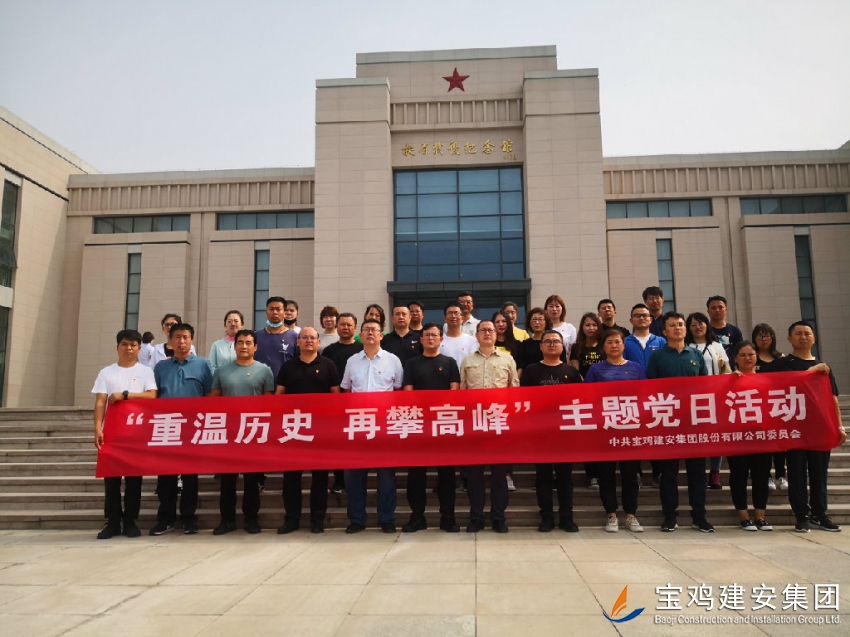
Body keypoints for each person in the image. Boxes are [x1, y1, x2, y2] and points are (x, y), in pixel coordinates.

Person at [767, 321, 846, 532]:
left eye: (807, 333)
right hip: (795, 429)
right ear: (789, 339)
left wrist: (839, 426)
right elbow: (766, 383)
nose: (803, 337)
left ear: (814, 338)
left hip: (820, 428)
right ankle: (801, 515)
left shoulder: (824, 367)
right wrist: (812, 371)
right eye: (798, 334)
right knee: (797, 473)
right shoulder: (783, 364)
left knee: (819, 474)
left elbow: (833, 398)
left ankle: (820, 514)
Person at [647, 312, 714, 533]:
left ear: (685, 329)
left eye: (681, 324)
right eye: (672, 325)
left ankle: (699, 516)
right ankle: (670, 516)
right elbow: (650, 389)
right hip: (667, 422)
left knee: (697, 473)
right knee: (668, 474)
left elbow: (705, 387)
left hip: (693, 422)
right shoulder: (657, 357)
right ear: (664, 331)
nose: (677, 328)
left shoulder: (695, 354)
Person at [91, 329, 157, 539]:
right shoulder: (106, 372)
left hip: (136, 434)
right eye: (125, 344)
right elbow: (100, 402)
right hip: (112, 434)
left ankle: (130, 521)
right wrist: (97, 428)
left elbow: (152, 396)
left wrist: (125, 395)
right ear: (117, 347)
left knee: (134, 481)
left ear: (139, 348)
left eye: (133, 345)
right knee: (111, 481)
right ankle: (112, 522)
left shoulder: (146, 372)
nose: (129, 348)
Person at [340, 319, 404, 533]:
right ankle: (357, 519)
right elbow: (346, 390)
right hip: (358, 425)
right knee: (354, 476)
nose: (370, 333)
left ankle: (386, 518)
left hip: (384, 426)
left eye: (374, 330)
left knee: (386, 477)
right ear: (360, 334)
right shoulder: (352, 361)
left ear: (381, 335)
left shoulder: (393, 360)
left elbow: (398, 391)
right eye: (366, 330)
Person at [276, 326, 341, 534]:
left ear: (318, 342)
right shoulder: (288, 366)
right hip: (293, 429)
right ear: (298, 342)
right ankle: (291, 519)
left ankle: (317, 520)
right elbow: (279, 396)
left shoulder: (328, 365)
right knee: (291, 478)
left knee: (320, 478)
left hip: (320, 430)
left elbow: (335, 396)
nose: (309, 341)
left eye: (312, 337)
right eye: (304, 337)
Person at [209, 329, 274, 535]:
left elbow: (269, 404)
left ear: (255, 347)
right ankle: (227, 520)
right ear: (234, 346)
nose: (244, 346)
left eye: (248, 343)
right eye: (240, 342)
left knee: (251, 481)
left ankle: (251, 520)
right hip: (228, 433)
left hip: (253, 433)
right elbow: (214, 401)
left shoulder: (264, 371)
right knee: (227, 481)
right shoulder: (221, 371)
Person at [151, 323, 213, 535]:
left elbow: (209, 396)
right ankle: (165, 519)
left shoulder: (203, 365)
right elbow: (154, 397)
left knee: (190, 477)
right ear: (170, 341)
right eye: (177, 337)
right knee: (165, 476)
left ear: (191, 340)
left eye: (185, 337)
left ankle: (189, 518)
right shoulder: (161, 367)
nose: (181, 341)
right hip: (167, 427)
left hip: (192, 428)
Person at [460, 320, 519, 533]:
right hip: (475, 425)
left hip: (499, 424)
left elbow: (514, 391)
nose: (487, 333)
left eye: (490, 330)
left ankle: (498, 518)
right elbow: (462, 392)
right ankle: (476, 517)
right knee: (474, 475)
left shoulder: (507, 359)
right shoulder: (467, 360)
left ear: (496, 334)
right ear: (476, 335)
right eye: (483, 330)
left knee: (499, 475)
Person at [401, 323, 461, 533]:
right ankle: (417, 517)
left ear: (441, 339)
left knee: (447, 475)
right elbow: (408, 391)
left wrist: (438, 410)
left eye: (434, 335)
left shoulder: (450, 362)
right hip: (419, 424)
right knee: (416, 475)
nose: (430, 338)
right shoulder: (412, 363)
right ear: (421, 339)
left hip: (444, 424)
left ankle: (448, 518)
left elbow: (454, 391)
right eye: (426, 335)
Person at [584, 329, 646, 533]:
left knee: (630, 475)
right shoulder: (596, 369)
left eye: (617, 342)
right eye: (609, 342)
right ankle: (611, 514)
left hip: (630, 428)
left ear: (623, 345)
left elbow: (645, 395)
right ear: (603, 346)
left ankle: (631, 515)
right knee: (606, 475)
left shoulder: (636, 368)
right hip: (605, 429)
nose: (614, 345)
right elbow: (587, 397)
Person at [521, 330, 582, 532]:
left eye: (556, 341)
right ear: (541, 346)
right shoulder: (531, 370)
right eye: (547, 341)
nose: (552, 344)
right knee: (543, 477)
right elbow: (523, 401)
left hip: (565, 432)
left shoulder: (571, 371)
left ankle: (567, 517)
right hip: (541, 433)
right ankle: (546, 517)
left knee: (565, 478)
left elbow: (579, 400)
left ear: (563, 346)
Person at [727, 341, 774, 531]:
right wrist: (729, 379)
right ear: (735, 358)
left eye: (751, 354)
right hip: (737, 438)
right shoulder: (728, 380)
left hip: (762, 437)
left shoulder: (766, 380)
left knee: (761, 476)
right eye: (743, 355)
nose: (747, 358)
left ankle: (760, 517)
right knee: (738, 477)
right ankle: (744, 516)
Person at [685, 311, 732, 490]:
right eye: (693, 324)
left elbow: (725, 369)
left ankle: (715, 472)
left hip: (715, 395)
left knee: (715, 435)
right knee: (696, 436)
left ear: (707, 325)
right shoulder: (686, 346)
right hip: (692, 398)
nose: (698, 327)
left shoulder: (716, 346)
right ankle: (699, 473)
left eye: (701, 323)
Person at [321, 312, 363, 494]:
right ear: (336, 327)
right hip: (335, 405)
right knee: (338, 444)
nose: (345, 328)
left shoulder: (362, 348)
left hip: (359, 405)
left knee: (357, 444)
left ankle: (357, 481)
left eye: (349, 325)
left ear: (355, 328)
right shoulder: (329, 351)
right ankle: (339, 481)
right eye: (342, 324)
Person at [570, 312, 604, 488]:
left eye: (594, 325)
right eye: (587, 325)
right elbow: (576, 371)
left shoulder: (605, 345)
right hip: (585, 395)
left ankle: (604, 474)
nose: (591, 328)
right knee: (589, 437)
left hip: (604, 396)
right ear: (582, 328)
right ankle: (592, 475)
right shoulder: (577, 347)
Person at [752, 322, 786, 490]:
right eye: (760, 336)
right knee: (763, 444)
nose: (763, 339)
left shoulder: (781, 358)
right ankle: (766, 476)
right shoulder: (752, 358)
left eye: (766, 336)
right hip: (758, 407)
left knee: (779, 442)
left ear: (772, 338)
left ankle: (781, 475)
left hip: (778, 405)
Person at [254, 296, 298, 380]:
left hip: (285, 384)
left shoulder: (294, 337)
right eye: (271, 309)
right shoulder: (255, 336)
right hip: (259, 384)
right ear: (266, 312)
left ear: (285, 313)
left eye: (278, 309)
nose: (274, 312)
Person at [439, 302, 478, 371]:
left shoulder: (471, 341)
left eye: (456, 313)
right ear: (445, 318)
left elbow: (473, 364)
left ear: (462, 318)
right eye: (450, 313)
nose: (453, 316)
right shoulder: (438, 341)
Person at [706, 295, 743, 360]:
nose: (717, 310)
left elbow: (741, 351)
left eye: (720, 307)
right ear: (708, 311)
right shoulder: (704, 331)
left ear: (726, 310)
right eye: (713, 308)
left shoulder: (735, 331)